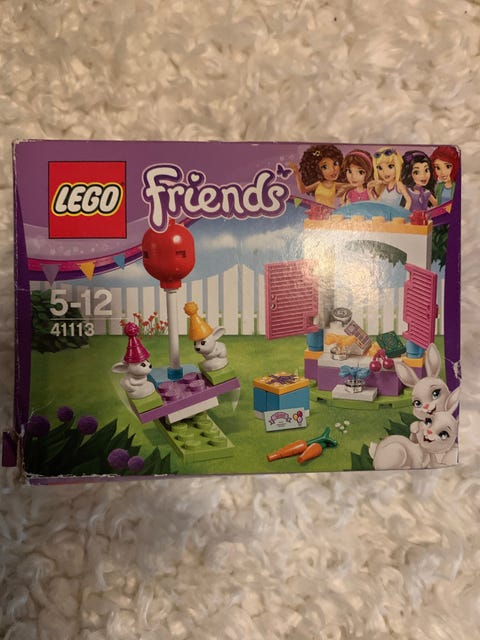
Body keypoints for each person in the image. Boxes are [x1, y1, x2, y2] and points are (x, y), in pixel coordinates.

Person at [289, 144, 344, 208]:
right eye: (325, 167)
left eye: (335, 164)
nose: (332, 169)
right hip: (316, 210)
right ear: (317, 170)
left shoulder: (336, 185)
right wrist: (296, 173)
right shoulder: (318, 184)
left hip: (329, 211)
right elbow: (302, 190)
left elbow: (350, 186)